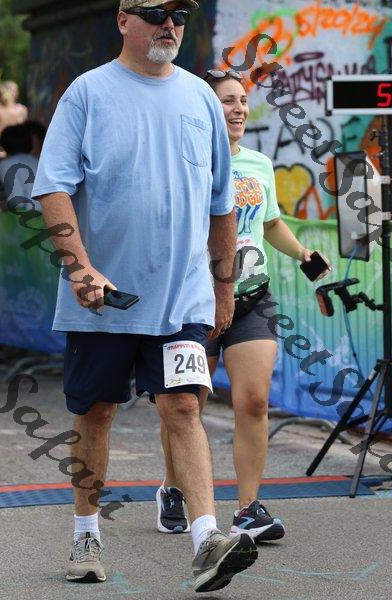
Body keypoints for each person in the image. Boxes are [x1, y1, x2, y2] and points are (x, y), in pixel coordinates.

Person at [32, 1, 258, 593]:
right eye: (156, 11)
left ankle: (207, 539)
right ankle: (86, 534)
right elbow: (52, 187)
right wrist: (80, 268)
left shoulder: (201, 98)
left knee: (183, 407)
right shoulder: (87, 93)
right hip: (104, 299)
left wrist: (223, 286)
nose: (170, 23)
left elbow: (222, 203)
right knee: (96, 413)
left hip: (181, 297)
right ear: (123, 19)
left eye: (179, 13)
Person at [157, 69, 331, 542]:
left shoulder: (258, 163)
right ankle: (174, 488)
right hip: (195, 300)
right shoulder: (186, 160)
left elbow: (269, 223)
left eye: (242, 100)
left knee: (253, 402)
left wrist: (303, 254)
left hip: (252, 299)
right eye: (226, 101)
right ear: (206, 108)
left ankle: (248, 510)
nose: (237, 109)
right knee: (186, 404)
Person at [0, 123, 40, 212]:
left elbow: (18, 201)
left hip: (32, 214)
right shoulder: (36, 161)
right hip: (48, 212)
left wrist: (4, 205)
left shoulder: (5, 164)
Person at [0, 81, 28, 150]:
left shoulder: (21, 109)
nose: (14, 93)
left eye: (15, 90)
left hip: (14, 149)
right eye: (11, 90)